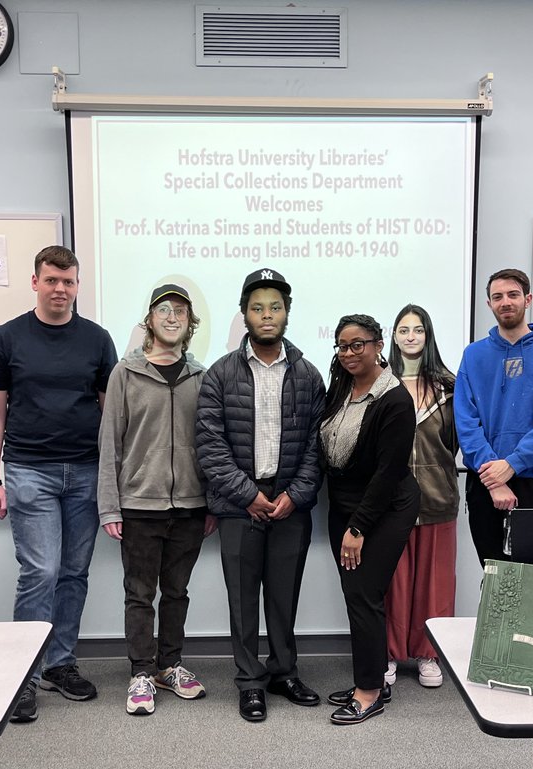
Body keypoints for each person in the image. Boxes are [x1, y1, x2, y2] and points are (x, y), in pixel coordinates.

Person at [0, 246, 118, 723]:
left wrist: (112, 480)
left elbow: (110, 414)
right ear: (35, 282)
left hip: (85, 471)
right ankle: (25, 674)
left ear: (78, 285)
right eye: (52, 280)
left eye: (69, 281)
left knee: (74, 572)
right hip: (28, 469)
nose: (61, 289)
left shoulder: (97, 340)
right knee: (40, 570)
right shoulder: (7, 337)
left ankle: (60, 662)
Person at [196, 267, 325, 724]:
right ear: (244, 314)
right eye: (257, 308)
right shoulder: (219, 375)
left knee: (284, 595)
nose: (266, 316)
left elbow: (316, 443)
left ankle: (284, 672)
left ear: (287, 313)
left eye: (275, 307)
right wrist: (248, 495)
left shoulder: (308, 375)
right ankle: (250, 682)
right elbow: (210, 446)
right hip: (238, 505)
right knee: (243, 597)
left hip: (291, 503)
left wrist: (296, 493)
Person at [98, 285, 216, 716]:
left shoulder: (201, 377)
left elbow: (210, 444)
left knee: (178, 592)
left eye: (180, 311)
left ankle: (170, 665)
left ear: (190, 323)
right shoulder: (125, 374)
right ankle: (141, 672)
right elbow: (109, 442)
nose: (172, 317)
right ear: (149, 319)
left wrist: (211, 502)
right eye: (163, 310)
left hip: (190, 505)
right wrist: (110, 505)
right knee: (139, 593)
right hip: (139, 505)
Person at [321, 314, 420, 725]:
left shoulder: (394, 400)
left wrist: (358, 528)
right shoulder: (342, 386)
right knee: (357, 596)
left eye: (357, 344)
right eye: (342, 346)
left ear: (379, 345)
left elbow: (387, 472)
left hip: (384, 508)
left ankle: (369, 692)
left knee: (364, 596)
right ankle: (375, 676)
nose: (348, 353)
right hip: (344, 505)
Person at [454, 269, 533, 563]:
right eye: (497, 297)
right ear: (489, 304)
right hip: (485, 483)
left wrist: (512, 464)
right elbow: (466, 421)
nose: (505, 302)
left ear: (527, 299)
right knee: (496, 580)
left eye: (513, 295)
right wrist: (495, 480)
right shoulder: (473, 355)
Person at [385, 304, 459, 689]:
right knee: (393, 582)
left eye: (418, 330)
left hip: (437, 498)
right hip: (390, 503)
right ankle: (390, 654)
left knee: (434, 583)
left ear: (428, 336)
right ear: (393, 336)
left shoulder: (449, 384)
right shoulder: (380, 382)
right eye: (403, 330)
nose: (411, 336)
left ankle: (429, 654)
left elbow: (455, 442)